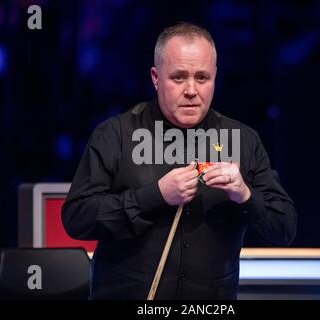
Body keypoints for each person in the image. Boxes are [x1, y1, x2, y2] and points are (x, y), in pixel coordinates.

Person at [62, 22, 297, 300]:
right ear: (155, 77)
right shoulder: (116, 135)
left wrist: (245, 195)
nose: (191, 90)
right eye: (178, 77)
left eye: (202, 78)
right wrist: (155, 195)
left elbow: (284, 230)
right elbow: (77, 219)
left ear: (215, 77)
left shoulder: (243, 141)